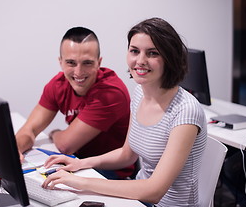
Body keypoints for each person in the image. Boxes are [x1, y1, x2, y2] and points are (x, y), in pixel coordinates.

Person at [41, 18, 207, 206]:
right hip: (137, 200)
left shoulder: (186, 111)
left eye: (152, 53)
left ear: (170, 58)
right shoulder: (139, 94)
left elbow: (154, 191)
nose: (140, 61)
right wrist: (81, 163)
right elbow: (127, 154)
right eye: (134, 51)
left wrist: (81, 182)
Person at [15, 26, 135, 180]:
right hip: (74, 161)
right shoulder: (57, 84)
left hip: (108, 172)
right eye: (71, 63)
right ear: (61, 62)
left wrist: (54, 133)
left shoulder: (111, 93)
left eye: (87, 63)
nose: (78, 72)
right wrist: (15, 149)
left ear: (99, 63)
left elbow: (66, 145)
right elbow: (29, 130)